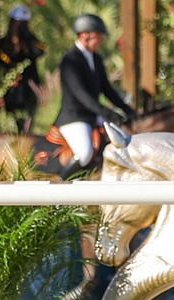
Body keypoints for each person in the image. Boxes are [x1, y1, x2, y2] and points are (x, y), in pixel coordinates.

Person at [52, 14, 138, 179]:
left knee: (123, 139)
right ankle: (60, 186)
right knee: (85, 152)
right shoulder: (70, 60)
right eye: (99, 36)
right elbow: (81, 95)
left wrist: (127, 110)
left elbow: (107, 89)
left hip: (93, 116)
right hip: (74, 118)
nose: (102, 40)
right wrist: (107, 113)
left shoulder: (96, 59)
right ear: (85, 35)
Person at [0, 4, 46, 135]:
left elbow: (41, 50)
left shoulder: (31, 44)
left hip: (28, 93)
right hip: (12, 94)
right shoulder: (3, 44)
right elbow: (3, 62)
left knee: (26, 130)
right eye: (18, 23)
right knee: (12, 129)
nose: (20, 27)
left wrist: (27, 38)